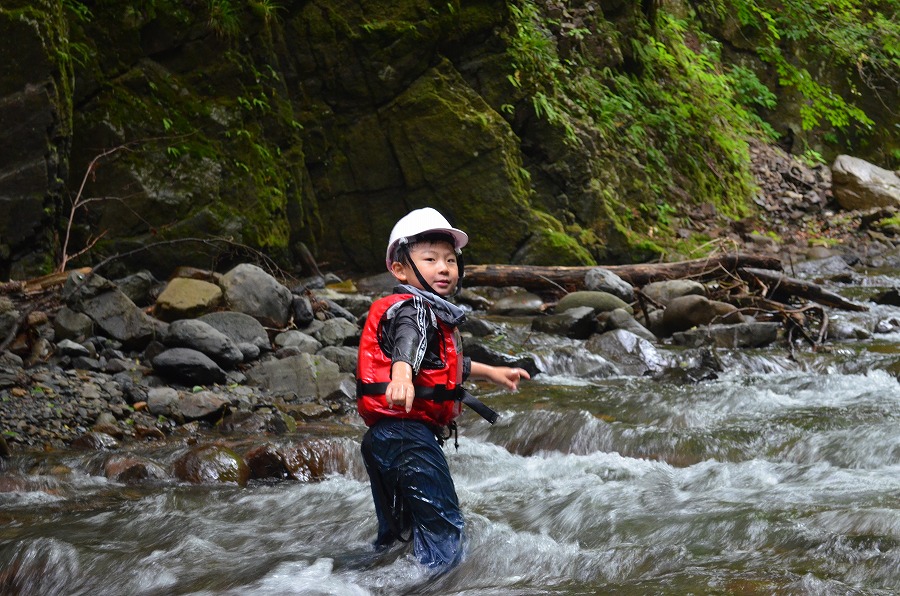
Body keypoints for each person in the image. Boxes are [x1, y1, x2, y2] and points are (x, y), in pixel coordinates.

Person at [356, 207, 531, 570]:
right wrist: (402, 376)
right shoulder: (415, 309)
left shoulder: (418, 309)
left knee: (397, 538)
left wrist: (493, 372)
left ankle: (357, 581)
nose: (444, 268)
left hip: (383, 438)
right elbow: (410, 344)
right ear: (400, 269)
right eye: (431, 259)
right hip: (408, 439)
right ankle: (438, 580)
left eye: (450, 260)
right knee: (443, 533)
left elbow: (446, 368)